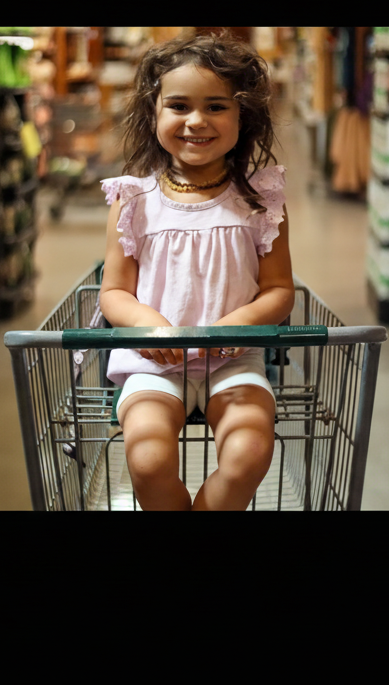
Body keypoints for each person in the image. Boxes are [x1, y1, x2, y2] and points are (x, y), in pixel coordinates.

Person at [98, 32, 293, 511]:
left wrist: (236, 326)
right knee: (145, 457)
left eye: (216, 107)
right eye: (179, 106)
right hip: (152, 360)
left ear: (242, 116)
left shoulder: (260, 201)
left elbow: (278, 291)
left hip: (234, 356)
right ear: (153, 114)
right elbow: (115, 293)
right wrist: (150, 327)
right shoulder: (133, 200)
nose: (196, 121)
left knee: (249, 452)